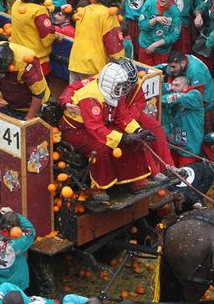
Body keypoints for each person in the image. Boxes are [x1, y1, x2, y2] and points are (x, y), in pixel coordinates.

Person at [60, 60, 155, 199]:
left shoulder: (117, 92)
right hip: (76, 129)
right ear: (109, 83)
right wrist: (122, 138)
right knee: (101, 149)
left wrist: (138, 131)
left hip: (99, 124)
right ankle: (97, 188)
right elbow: (95, 129)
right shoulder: (90, 97)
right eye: (119, 87)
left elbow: (123, 117)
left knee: (134, 140)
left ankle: (136, 180)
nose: (122, 91)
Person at [68, 0, 127, 82]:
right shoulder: (108, 15)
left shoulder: (84, 10)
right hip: (93, 67)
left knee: (73, 95)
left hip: (75, 62)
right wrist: (121, 63)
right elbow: (115, 47)